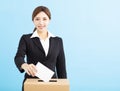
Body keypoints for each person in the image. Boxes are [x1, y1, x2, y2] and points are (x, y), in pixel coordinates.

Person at [14, 6, 67, 91]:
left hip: (52, 84)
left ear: (49, 20)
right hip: (31, 84)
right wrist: (25, 65)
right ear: (33, 21)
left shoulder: (58, 41)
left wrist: (63, 86)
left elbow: (61, 68)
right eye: (37, 19)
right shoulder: (26, 39)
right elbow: (18, 57)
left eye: (44, 19)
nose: (41, 22)